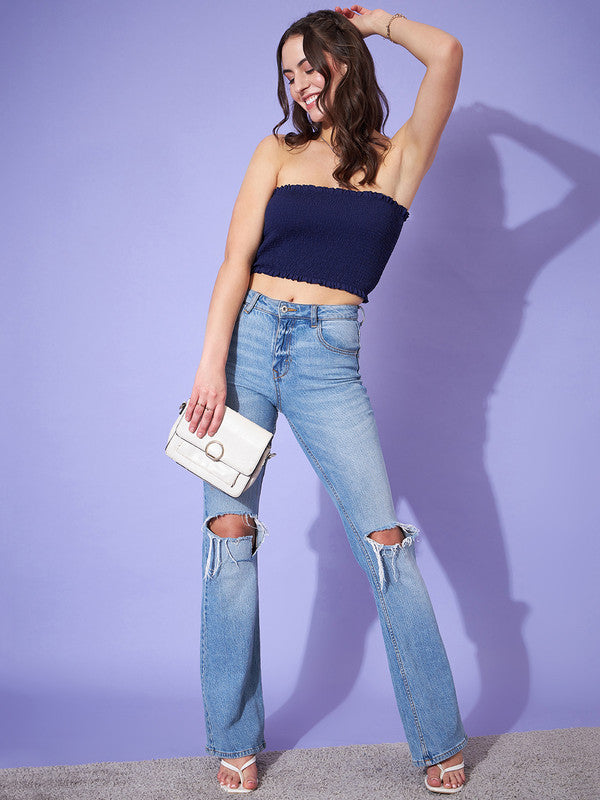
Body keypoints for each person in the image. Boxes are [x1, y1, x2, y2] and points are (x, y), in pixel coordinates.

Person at [185, 5, 466, 793]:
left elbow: (447, 53)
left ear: (345, 60)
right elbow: (235, 261)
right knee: (228, 534)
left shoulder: (398, 158)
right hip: (246, 345)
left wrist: (376, 21)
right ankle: (235, 736)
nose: (300, 83)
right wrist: (209, 369)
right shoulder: (275, 150)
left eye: (311, 64)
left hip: (326, 360)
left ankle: (437, 737)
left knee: (384, 541)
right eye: (288, 72)